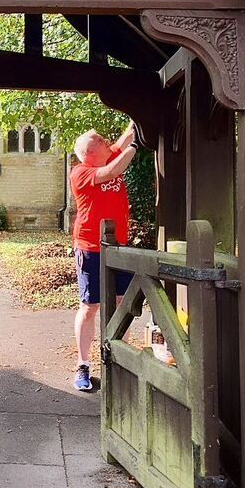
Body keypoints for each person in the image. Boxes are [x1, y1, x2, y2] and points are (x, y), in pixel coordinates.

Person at [69, 125, 139, 391]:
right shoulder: (81, 172)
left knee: (122, 304)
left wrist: (136, 125)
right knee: (90, 306)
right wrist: (135, 146)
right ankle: (83, 364)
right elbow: (112, 171)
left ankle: (119, 359)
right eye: (99, 139)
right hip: (90, 247)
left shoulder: (108, 154)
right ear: (89, 151)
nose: (105, 139)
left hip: (117, 244)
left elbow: (126, 136)